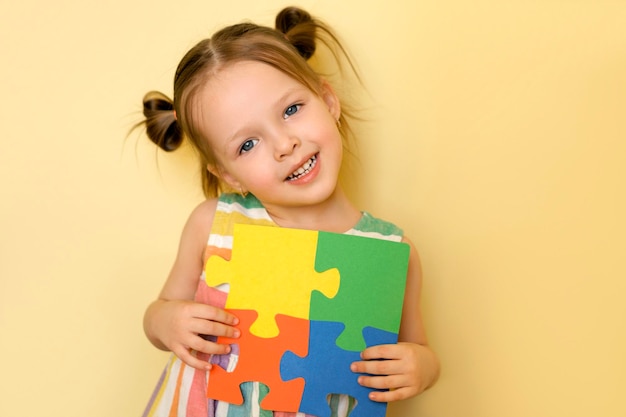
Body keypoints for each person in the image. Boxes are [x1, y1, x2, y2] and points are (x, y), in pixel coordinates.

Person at [138, 6, 439, 417]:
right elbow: (159, 312)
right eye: (248, 144)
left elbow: (416, 348)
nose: (284, 145)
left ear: (328, 99)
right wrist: (166, 322)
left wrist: (421, 366)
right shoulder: (214, 225)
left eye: (292, 109)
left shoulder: (390, 252)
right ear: (228, 174)